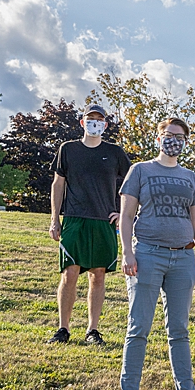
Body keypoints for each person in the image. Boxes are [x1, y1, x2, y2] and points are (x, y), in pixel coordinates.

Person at [116, 118, 195, 390]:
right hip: (146, 255)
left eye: (179, 136)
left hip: (182, 258)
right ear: (158, 138)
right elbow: (127, 215)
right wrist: (127, 252)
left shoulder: (190, 176)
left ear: (185, 141)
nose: (173, 140)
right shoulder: (140, 170)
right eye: (169, 135)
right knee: (138, 327)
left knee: (179, 330)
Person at [47, 103, 131, 346]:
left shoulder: (115, 152)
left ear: (105, 124)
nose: (95, 122)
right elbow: (58, 184)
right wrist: (55, 218)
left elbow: (131, 182)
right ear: (82, 122)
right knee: (69, 272)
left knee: (98, 274)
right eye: (90, 118)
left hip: (103, 221)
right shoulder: (68, 149)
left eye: (99, 119)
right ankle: (63, 328)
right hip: (74, 219)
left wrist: (122, 211)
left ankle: (92, 331)